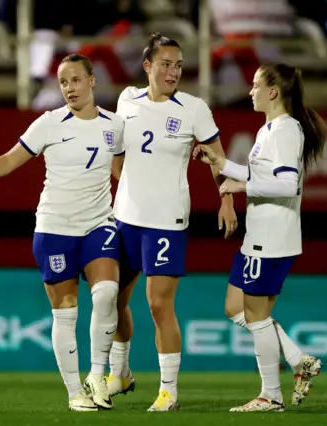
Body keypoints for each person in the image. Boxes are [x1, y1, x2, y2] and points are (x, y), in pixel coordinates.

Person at [0, 53, 124, 412]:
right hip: (56, 227)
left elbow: (122, 173)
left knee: (108, 293)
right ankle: (75, 392)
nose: (69, 88)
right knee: (66, 313)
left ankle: (97, 374)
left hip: (98, 223)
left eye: (76, 80)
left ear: (92, 81)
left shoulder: (115, 125)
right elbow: (12, 158)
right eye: (63, 82)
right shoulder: (49, 123)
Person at [106, 33, 238, 412]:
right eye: (165, 63)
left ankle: (168, 391)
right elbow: (118, 156)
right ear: (147, 66)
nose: (173, 71)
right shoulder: (127, 99)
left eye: (178, 65)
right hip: (126, 218)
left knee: (158, 305)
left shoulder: (194, 108)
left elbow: (217, 157)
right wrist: (133, 187)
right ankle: (121, 373)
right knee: (112, 300)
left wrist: (226, 199)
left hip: (167, 222)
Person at [193, 62, 326, 412]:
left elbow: (286, 184)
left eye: (255, 85)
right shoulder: (270, 130)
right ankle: (299, 361)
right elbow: (260, 173)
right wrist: (221, 163)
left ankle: (271, 396)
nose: (250, 91)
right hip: (261, 235)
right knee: (235, 307)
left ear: (273, 92)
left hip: (272, 236)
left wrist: (241, 186)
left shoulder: (285, 130)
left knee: (256, 317)